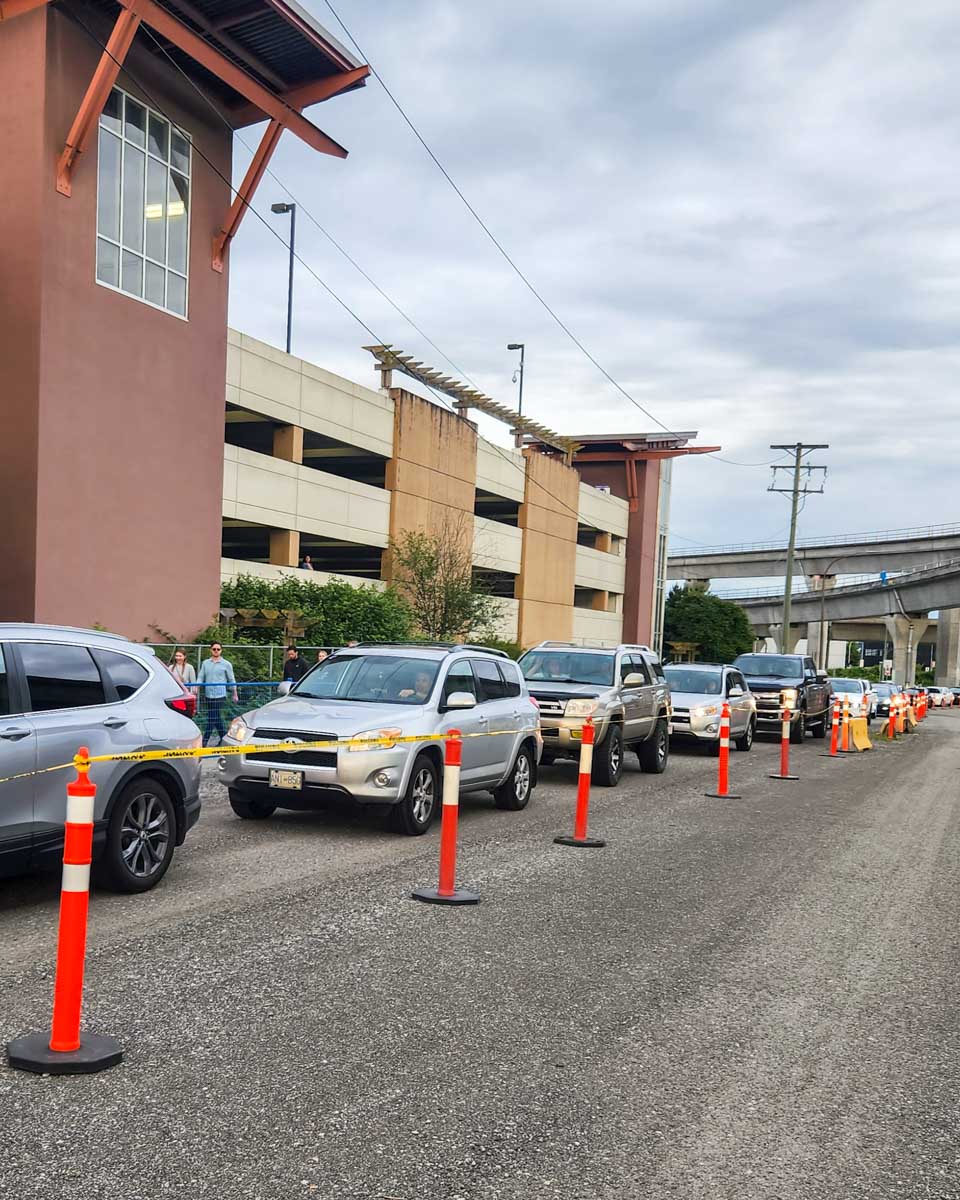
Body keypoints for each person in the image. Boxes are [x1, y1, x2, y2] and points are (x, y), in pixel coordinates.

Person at [196, 642, 238, 747]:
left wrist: (235, 693)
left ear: (221, 650)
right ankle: (224, 738)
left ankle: (204, 742)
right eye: (214, 649)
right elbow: (201, 676)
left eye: (218, 649)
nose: (216, 651)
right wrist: (196, 687)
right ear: (211, 650)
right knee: (216, 718)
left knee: (212, 718)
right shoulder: (205, 663)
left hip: (220, 694)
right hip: (209, 694)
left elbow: (231, 679)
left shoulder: (226, 664)